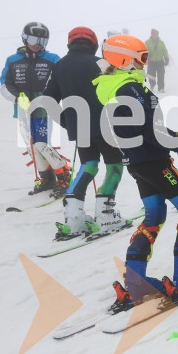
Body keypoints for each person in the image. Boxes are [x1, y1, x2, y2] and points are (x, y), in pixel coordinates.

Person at [94, 34, 178, 304]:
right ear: (124, 58)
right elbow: (152, 129)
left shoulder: (114, 87)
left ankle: (135, 280)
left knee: (155, 214)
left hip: (137, 163)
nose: (146, 63)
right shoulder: (131, 89)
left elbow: (144, 128)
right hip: (153, 162)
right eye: (143, 57)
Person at [43, 27, 126, 239]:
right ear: (94, 44)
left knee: (88, 166)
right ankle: (106, 216)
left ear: (70, 43)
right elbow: (118, 93)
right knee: (114, 166)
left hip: (79, 127)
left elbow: (48, 100)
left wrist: (66, 121)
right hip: (106, 124)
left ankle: (73, 218)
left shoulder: (59, 66)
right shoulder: (101, 63)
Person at [0, 22, 70, 196]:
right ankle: (47, 177)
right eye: (33, 39)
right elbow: (4, 84)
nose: (38, 44)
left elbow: (63, 80)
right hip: (23, 109)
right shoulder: (13, 60)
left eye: (42, 41)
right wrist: (17, 97)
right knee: (31, 145)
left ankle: (63, 174)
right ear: (24, 39)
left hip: (43, 109)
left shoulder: (52, 59)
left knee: (42, 143)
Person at [144, 29, 170, 93]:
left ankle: (161, 87)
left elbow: (165, 51)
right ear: (151, 34)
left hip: (160, 61)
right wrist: (147, 54)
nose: (155, 35)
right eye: (153, 34)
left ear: (158, 34)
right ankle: (152, 85)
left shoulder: (161, 43)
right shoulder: (147, 42)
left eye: (156, 34)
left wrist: (166, 58)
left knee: (161, 75)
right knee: (150, 74)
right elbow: (144, 50)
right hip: (151, 61)